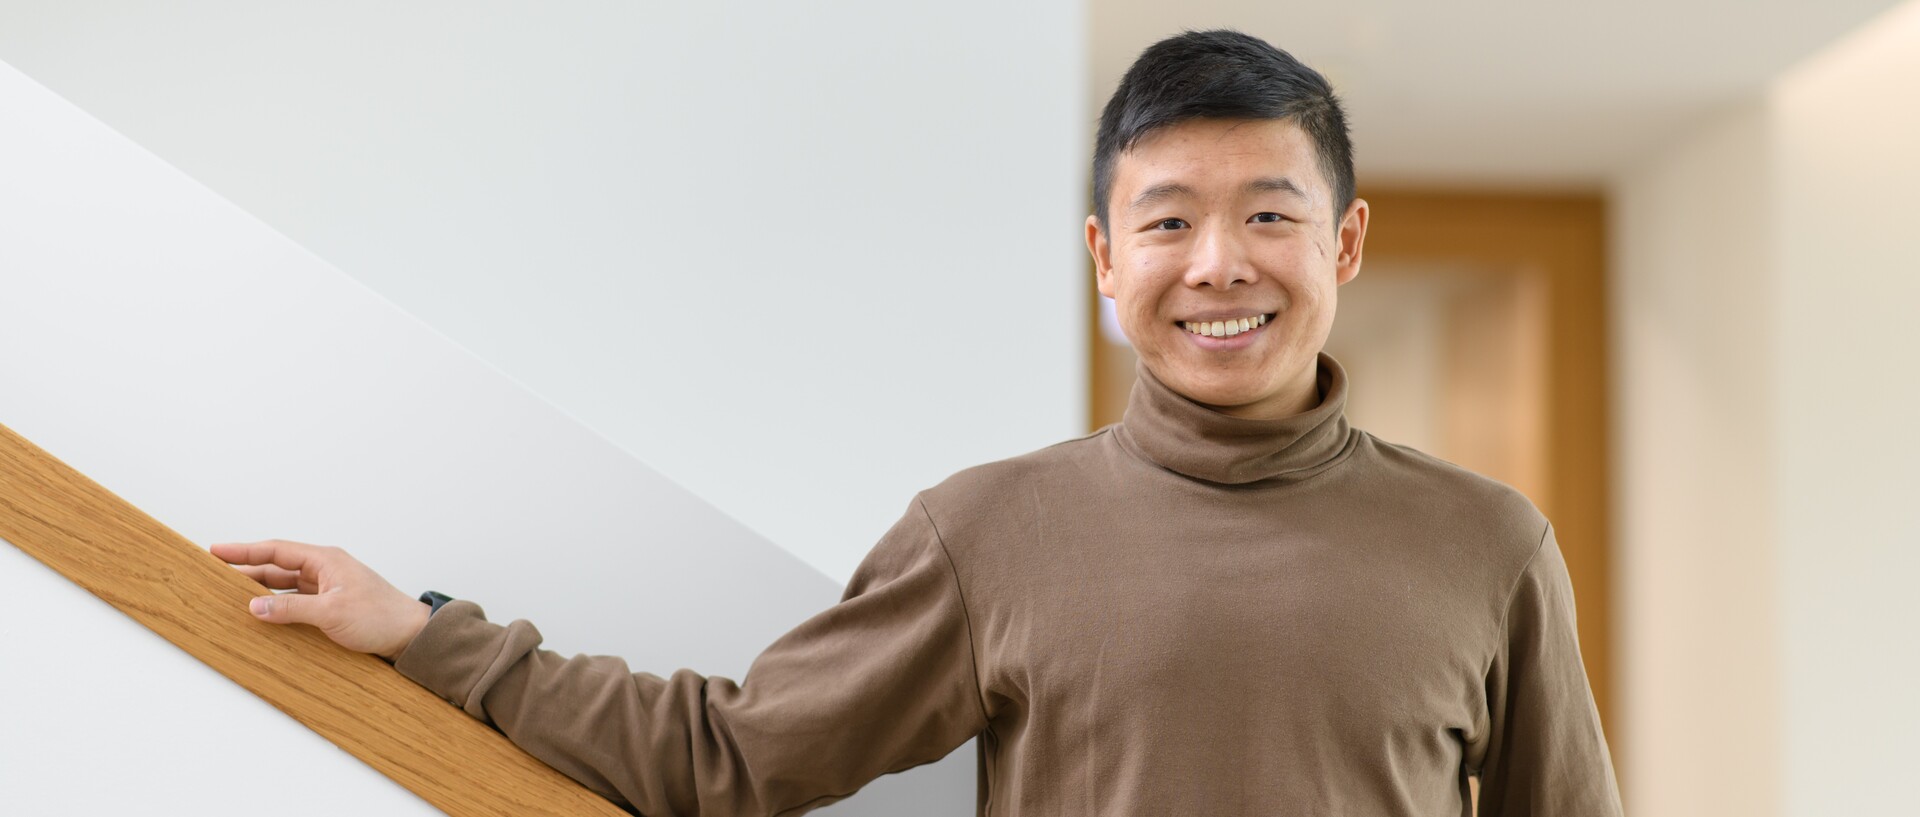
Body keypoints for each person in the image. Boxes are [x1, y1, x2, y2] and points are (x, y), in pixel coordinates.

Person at [211, 29, 1623, 816]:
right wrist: (427, 633)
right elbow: (737, 755)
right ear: (1103, 258)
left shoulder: (1487, 545)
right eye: (1169, 221)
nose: (1218, 266)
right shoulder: (994, 529)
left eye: (1270, 215)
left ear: (1346, 243)